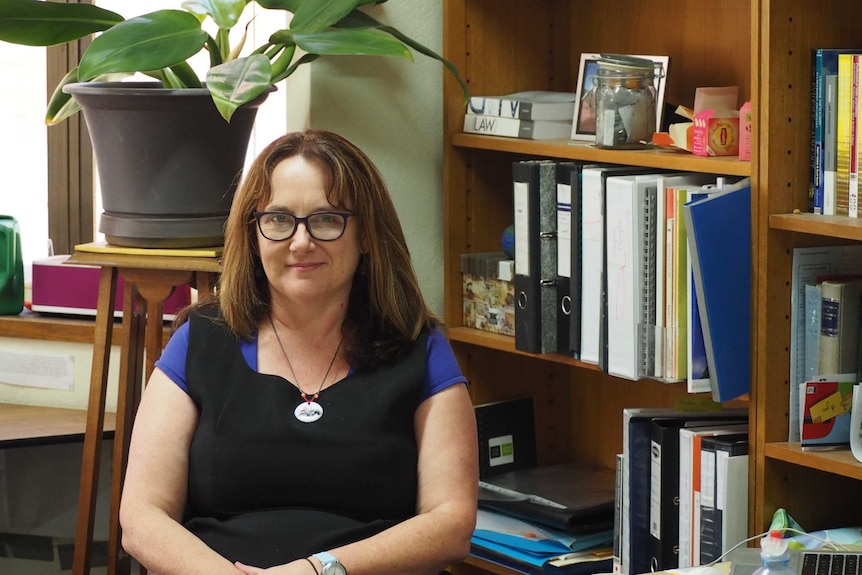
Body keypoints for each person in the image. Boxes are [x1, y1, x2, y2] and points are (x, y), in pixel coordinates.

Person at [119, 130, 479, 575]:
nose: (301, 242)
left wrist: (317, 571)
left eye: (326, 219)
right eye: (278, 219)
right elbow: (141, 517)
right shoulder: (201, 339)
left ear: (366, 234)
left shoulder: (420, 348)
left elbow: (451, 524)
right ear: (253, 233)